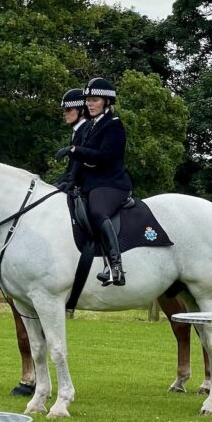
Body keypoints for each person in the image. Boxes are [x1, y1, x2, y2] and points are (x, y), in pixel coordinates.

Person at [67, 77, 132, 286]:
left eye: (94, 99)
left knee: (97, 212)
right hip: (91, 184)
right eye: (88, 100)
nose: (89, 104)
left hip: (112, 184)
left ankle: (116, 267)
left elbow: (104, 156)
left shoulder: (114, 126)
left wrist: (76, 150)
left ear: (106, 101)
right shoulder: (89, 127)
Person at [54, 88, 90, 191]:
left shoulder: (86, 129)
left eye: (68, 109)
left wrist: (71, 179)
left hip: (85, 182)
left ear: (82, 110)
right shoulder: (76, 130)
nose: (65, 113)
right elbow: (72, 165)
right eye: (64, 110)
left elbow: (81, 160)